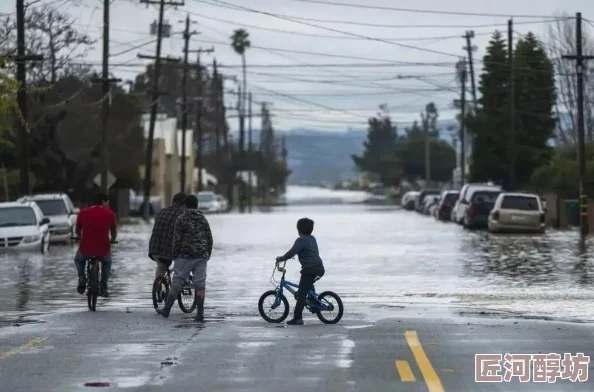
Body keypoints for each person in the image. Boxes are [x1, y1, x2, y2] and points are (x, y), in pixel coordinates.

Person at [157, 194, 213, 322]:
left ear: (185, 205)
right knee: (200, 284)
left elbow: (176, 239)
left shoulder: (181, 219)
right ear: (197, 205)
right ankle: (200, 314)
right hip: (201, 255)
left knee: (177, 281)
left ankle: (166, 309)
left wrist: (175, 254)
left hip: (185, 255)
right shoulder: (203, 219)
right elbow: (209, 238)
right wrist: (207, 253)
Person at [276, 217, 325, 326]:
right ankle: (313, 301)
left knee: (301, 295)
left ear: (299, 230)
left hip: (309, 269)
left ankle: (297, 318)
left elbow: (291, 252)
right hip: (319, 268)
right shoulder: (312, 238)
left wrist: (281, 258)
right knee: (308, 284)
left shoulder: (300, 240)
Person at [75, 193, 118, 297]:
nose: (108, 205)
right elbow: (114, 232)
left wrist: (80, 237)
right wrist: (112, 240)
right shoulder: (111, 214)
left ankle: (81, 277)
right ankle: (103, 287)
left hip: (85, 249)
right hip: (103, 249)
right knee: (107, 263)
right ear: (103, 202)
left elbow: (77, 230)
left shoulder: (82, 213)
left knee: (79, 259)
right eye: (107, 202)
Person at [148, 192, 186, 278]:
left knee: (161, 265)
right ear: (183, 204)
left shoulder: (161, 212)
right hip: (169, 252)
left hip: (153, 250)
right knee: (183, 263)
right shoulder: (182, 216)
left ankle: (158, 283)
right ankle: (177, 286)